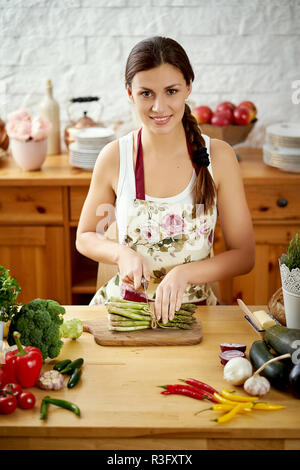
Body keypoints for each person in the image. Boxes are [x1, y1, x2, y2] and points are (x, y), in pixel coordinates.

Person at [76, 36, 255, 325]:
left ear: (188, 87)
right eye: (146, 93)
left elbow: (244, 255)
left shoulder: (219, 158)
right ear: (130, 92)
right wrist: (120, 254)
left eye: (171, 91)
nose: (159, 107)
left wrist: (184, 273)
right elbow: (85, 236)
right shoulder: (115, 156)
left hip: (197, 316)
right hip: (124, 313)